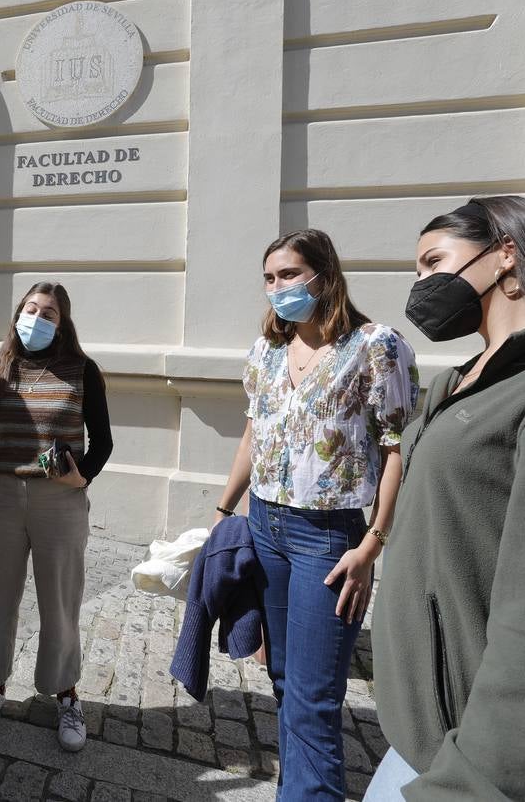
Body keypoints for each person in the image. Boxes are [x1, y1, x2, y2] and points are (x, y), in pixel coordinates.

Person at [368, 196, 525, 800]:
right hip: (418, 737)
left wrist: (483, 783)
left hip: (474, 768)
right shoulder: (456, 382)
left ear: (505, 254)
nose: (422, 286)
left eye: (435, 262)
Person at [211, 229, 418, 801]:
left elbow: (396, 446)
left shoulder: (376, 346)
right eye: (270, 278)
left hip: (329, 537)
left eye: (289, 275)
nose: (278, 288)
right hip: (266, 525)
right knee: (283, 680)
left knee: (314, 694)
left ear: (324, 277)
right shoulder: (266, 353)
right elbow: (253, 435)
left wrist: (373, 542)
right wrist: (224, 511)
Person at [0, 282, 113, 752]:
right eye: (31, 309)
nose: (37, 318)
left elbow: (103, 439)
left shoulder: (82, 370)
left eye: (48, 313)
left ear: (62, 322)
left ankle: (66, 693)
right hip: (3, 497)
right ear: (17, 315)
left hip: (59, 502)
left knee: (61, 603)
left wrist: (80, 478)